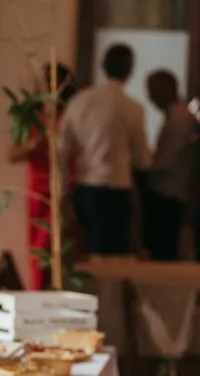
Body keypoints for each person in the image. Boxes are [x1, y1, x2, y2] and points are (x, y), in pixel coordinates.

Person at [59, 43, 152, 255]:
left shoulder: (79, 101)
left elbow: (62, 149)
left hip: (86, 186)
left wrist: (63, 189)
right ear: (130, 69)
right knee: (115, 254)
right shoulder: (132, 108)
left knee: (88, 251)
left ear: (103, 66)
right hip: (118, 187)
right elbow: (141, 159)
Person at [9, 62, 77, 290]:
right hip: (37, 191)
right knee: (38, 249)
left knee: (58, 250)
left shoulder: (70, 115)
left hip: (63, 188)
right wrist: (35, 144)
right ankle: (37, 294)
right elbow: (13, 153)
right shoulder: (34, 117)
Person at [143, 70, 197, 260]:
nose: (150, 98)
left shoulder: (180, 119)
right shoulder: (176, 116)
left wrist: (144, 162)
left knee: (163, 250)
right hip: (169, 192)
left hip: (169, 193)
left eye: (153, 92)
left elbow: (166, 160)